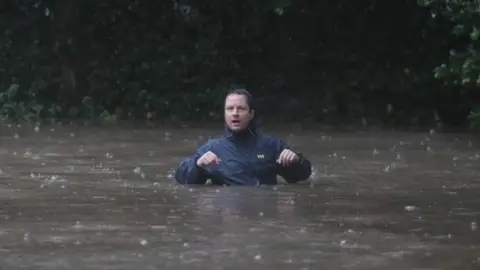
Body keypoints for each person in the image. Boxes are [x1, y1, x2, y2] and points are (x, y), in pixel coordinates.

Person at [174, 89, 312, 186]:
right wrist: (197, 165)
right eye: (230, 109)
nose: (235, 113)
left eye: (240, 108)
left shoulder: (271, 146)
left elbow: (302, 176)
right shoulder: (211, 149)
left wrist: (296, 160)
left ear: (251, 114)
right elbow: (182, 179)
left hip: (262, 214)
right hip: (228, 216)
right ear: (224, 114)